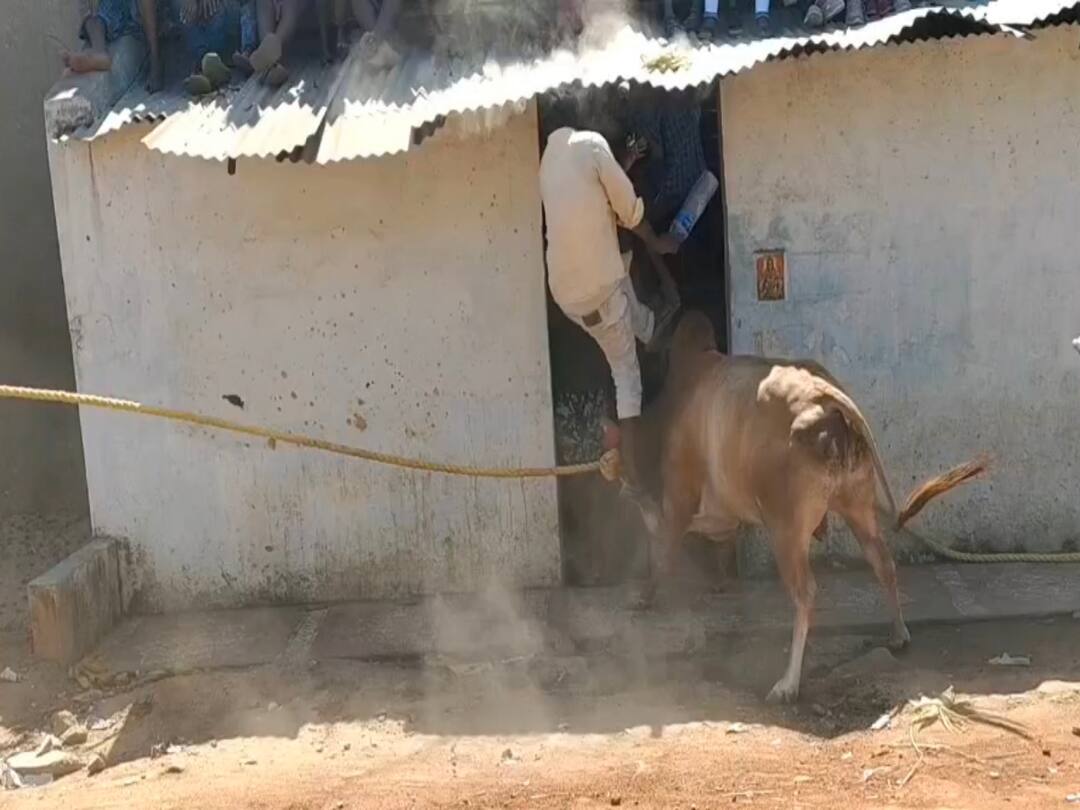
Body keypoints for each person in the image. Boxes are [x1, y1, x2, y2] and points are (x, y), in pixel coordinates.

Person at [539, 121, 680, 499]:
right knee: (626, 374)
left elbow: (588, 199)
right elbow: (631, 214)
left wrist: (625, 162)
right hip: (601, 290)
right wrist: (659, 243)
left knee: (622, 281)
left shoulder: (550, 159)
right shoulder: (594, 145)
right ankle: (634, 475)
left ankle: (648, 328)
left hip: (567, 298)